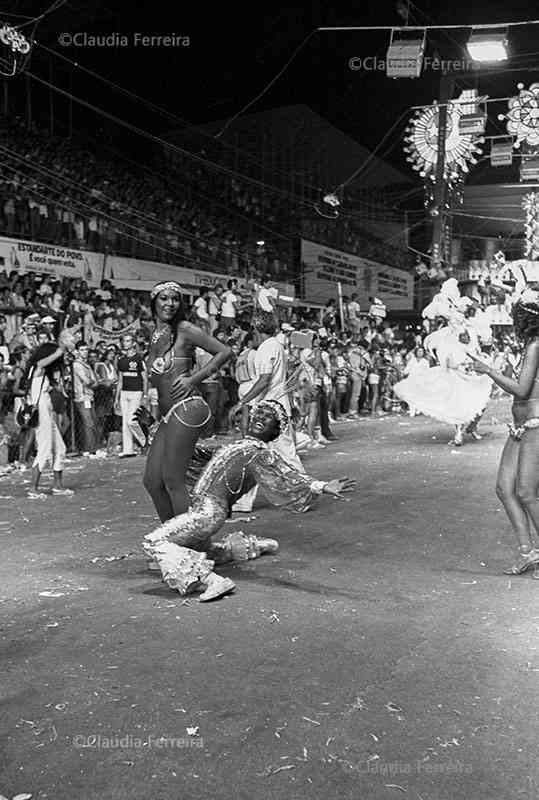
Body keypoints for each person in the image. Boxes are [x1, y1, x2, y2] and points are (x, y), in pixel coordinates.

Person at [143, 400, 355, 601]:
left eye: (269, 416)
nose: (260, 416)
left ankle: (212, 581)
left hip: (207, 514)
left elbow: (287, 473)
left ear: (275, 431)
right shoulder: (235, 446)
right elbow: (191, 450)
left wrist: (322, 486)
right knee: (202, 550)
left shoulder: (259, 452)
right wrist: (154, 429)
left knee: (155, 542)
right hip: (202, 511)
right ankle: (252, 547)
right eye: (259, 412)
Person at [142, 281, 232, 522]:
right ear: (154, 301)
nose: (169, 303)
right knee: (152, 481)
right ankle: (171, 536)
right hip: (167, 414)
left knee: (173, 479)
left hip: (188, 407)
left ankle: (191, 543)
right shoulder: (154, 335)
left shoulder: (185, 328)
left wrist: (194, 379)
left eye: (175, 299)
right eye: (164, 298)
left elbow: (224, 352)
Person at [469, 289, 539, 575]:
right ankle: (528, 552)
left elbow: (522, 390)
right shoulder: (529, 345)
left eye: (517, 313)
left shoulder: (536, 345)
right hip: (521, 426)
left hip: (536, 424)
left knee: (525, 492)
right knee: (503, 488)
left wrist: (488, 370)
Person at [394, 324, 492, 446]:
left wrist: (476, 365)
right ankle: (459, 434)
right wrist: (461, 366)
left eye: (467, 336)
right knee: (458, 406)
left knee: (479, 404)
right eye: (463, 336)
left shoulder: (469, 349)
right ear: (458, 337)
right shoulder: (451, 349)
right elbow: (448, 365)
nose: (466, 338)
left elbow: (476, 360)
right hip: (455, 381)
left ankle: (471, 428)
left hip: (468, 379)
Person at [26, 327, 78, 498]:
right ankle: (33, 488)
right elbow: (42, 363)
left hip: (46, 409)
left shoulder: (43, 374)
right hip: (41, 409)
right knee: (45, 448)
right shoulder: (37, 369)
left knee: (60, 448)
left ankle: (57, 486)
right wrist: (61, 348)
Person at [115, 334, 148, 457]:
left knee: (131, 421)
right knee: (125, 422)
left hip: (136, 392)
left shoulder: (139, 359)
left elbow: (145, 379)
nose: (126, 343)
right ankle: (128, 450)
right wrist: (117, 398)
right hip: (124, 393)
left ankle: (144, 442)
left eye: (128, 341)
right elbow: (120, 380)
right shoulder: (121, 360)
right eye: (124, 341)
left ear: (133, 343)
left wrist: (144, 396)